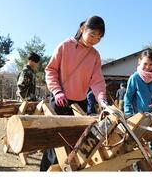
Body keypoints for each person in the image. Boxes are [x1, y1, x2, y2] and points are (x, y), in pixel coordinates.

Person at [41, 16, 108, 171]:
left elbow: (97, 81)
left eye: (99, 38)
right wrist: (57, 91)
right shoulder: (64, 46)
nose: (94, 40)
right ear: (83, 29)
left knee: (75, 146)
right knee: (54, 145)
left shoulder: (95, 55)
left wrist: (102, 100)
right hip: (60, 101)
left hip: (80, 104)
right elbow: (50, 71)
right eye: (92, 35)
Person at [124, 49, 152, 169]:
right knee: (137, 145)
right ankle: (138, 169)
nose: (148, 67)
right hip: (138, 117)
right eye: (145, 64)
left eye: (151, 64)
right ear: (139, 62)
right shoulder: (135, 78)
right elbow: (128, 97)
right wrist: (128, 115)